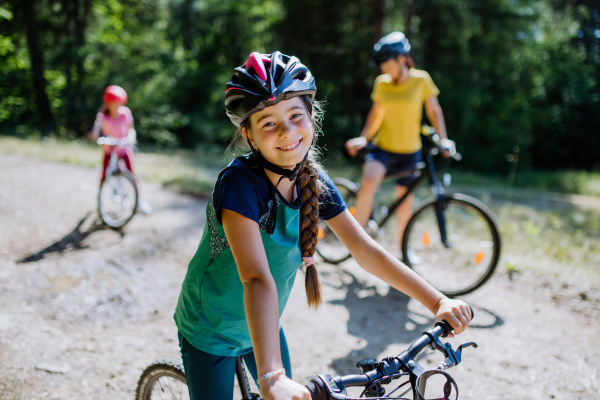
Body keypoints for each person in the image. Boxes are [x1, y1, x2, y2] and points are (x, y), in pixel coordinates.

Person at [174, 51, 471, 400]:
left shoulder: (314, 181)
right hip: (211, 327)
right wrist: (271, 375)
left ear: (311, 118)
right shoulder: (239, 184)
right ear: (250, 137)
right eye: (268, 122)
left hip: (262, 323)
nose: (286, 131)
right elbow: (255, 278)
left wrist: (437, 302)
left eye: (295, 115)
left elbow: (365, 250)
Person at [345, 32, 453, 254]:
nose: (382, 68)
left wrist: (443, 139)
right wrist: (363, 139)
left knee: (404, 205)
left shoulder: (421, 80)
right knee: (370, 182)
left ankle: (403, 252)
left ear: (402, 59)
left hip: (409, 152)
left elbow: (434, 110)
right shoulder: (382, 83)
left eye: (386, 63)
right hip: (382, 148)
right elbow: (375, 115)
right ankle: (358, 243)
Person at [89, 85, 152, 214]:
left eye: (118, 103)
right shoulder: (102, 116)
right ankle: (100, 200)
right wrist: (96, 133)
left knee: (131, 174)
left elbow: (131, 129)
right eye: (112, 103)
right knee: (104, 174)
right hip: (110, 149)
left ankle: (138, 200)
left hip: (123, 148)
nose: (115, 106)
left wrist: (131, 139)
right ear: (108, 103)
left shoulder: (125, 113)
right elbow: (95, 130)